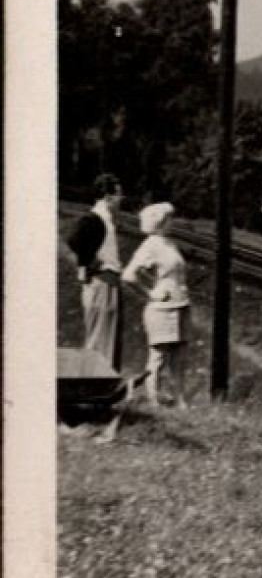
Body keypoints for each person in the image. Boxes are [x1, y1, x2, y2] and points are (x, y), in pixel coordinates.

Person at [120, 202, 191, 409]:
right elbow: (129, 275)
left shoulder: (169, 243)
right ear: (160, 222)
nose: (172, 222)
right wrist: (150, 293)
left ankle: (179, 398)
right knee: (159, 355)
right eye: (169, 218)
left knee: (179, 354)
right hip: (162, 308)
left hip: (181, 304)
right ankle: (154, 399)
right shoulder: (150, 245)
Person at [66, 174, 124, 367]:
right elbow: (73, 241)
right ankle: (92, 383)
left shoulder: (106, 219)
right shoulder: (95, 218)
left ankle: (102, 382)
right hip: (101, 282)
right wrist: (90, 263)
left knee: (106, 337)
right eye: (118, 195)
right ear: (108, 197)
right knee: (99, 338)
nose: (121, 199)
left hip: (108, 283)